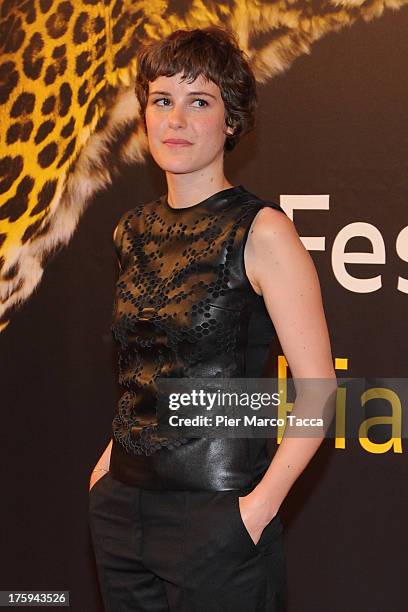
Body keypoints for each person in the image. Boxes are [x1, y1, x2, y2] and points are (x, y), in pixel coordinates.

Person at [88, 26, 337, 612]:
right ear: (144, 114)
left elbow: (319, 392)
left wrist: (255, 511)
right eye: (161, 100)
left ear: (231, 121)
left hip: (219, 519)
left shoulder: (263, 231)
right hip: (121, 511)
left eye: (198, 101)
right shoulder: (132, 231)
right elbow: (146, 371)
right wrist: (104, 475)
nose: (175, 119)